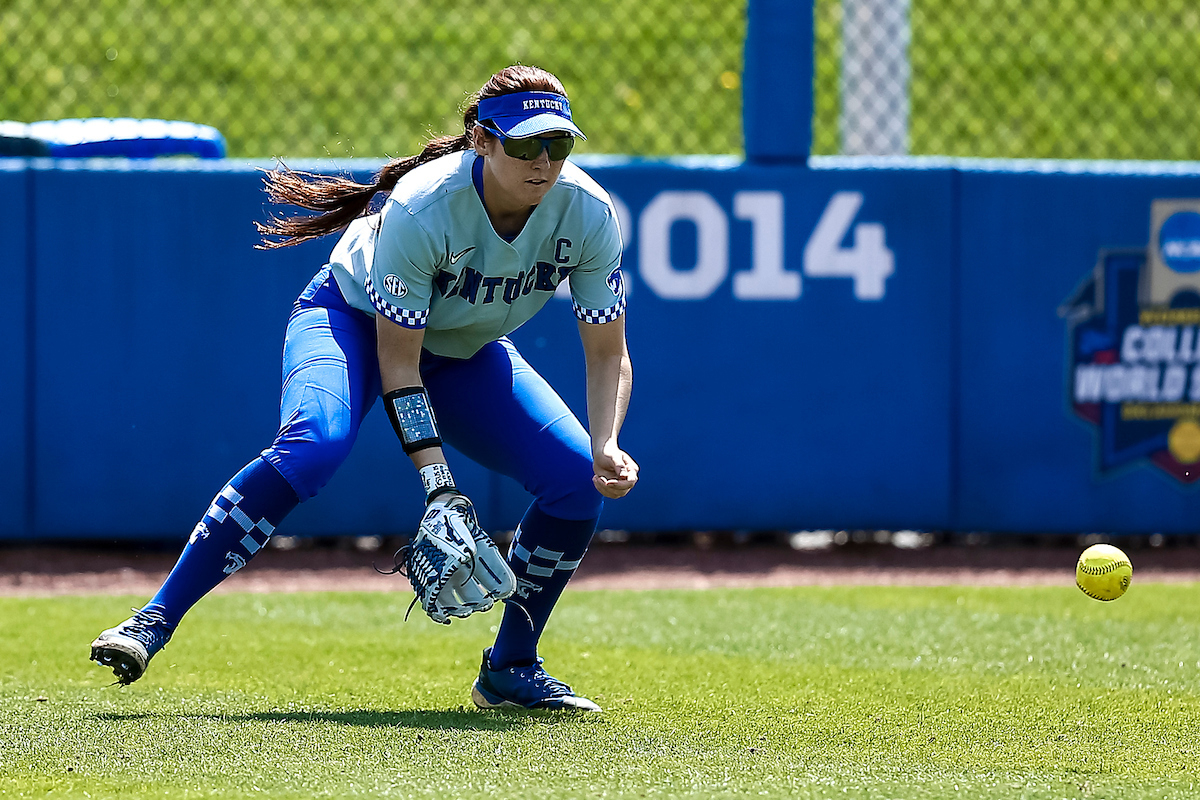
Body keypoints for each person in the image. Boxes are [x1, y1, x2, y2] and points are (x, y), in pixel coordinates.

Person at [89, 64, 638, 712]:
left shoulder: (589, 212)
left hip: (460, 349)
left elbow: (609, 353)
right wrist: (440, 489)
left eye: (559, 143)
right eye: (523, 143)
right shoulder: (424, 206)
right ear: (483, 141)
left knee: (578, 481)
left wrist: (607, 441)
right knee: (312, 447)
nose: (543, 161)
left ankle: (511, 666)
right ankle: (152, 620)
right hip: (348, 319)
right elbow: (398, 366)